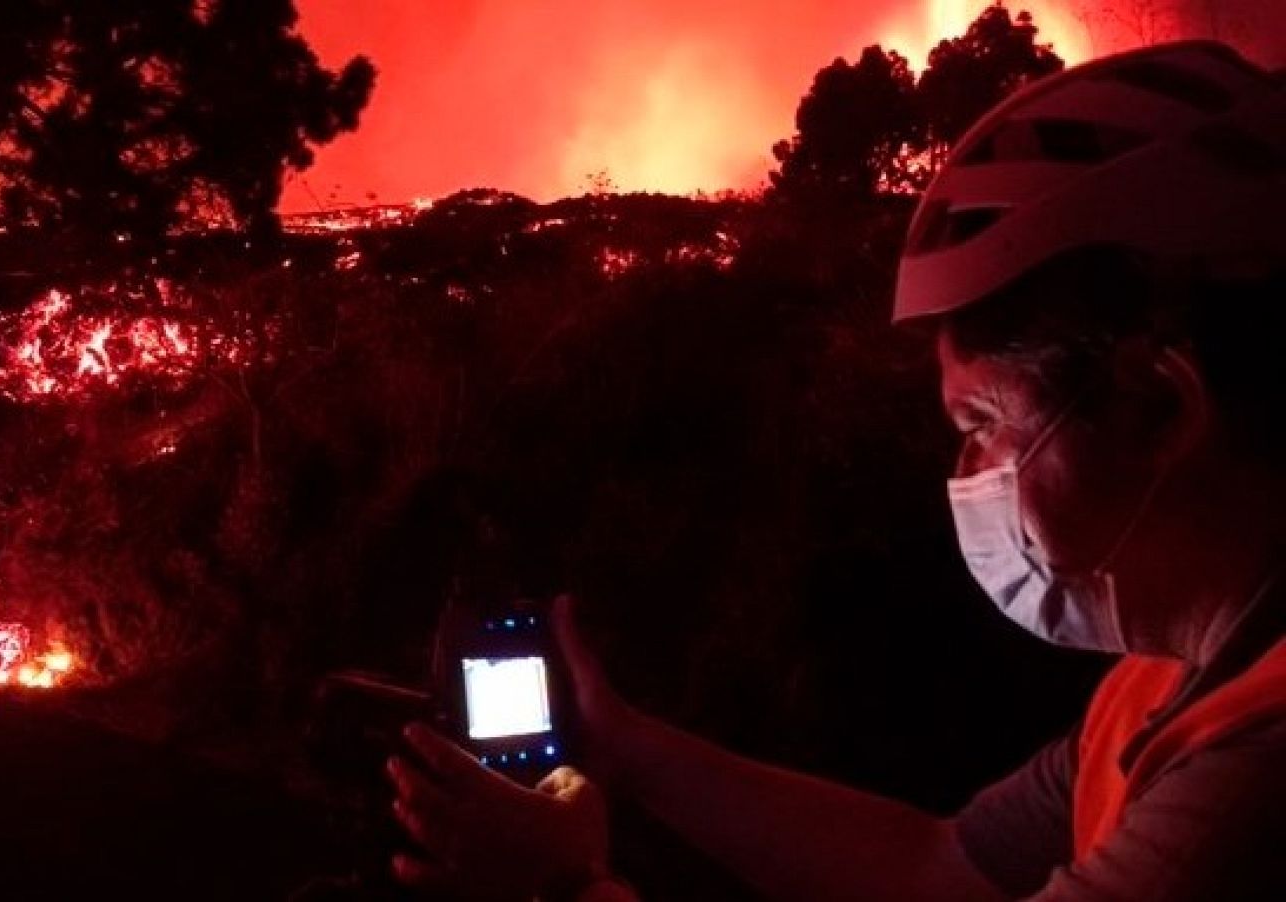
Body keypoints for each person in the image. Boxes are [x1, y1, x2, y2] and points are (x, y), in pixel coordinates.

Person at [384, 40, 1286, 901]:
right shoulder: (1168, 681)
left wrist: (565, 883)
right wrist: (626, 750)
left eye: (986, 424)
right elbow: (942, 868)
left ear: (1157, 407)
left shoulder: (1254, 779)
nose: (971, 473)